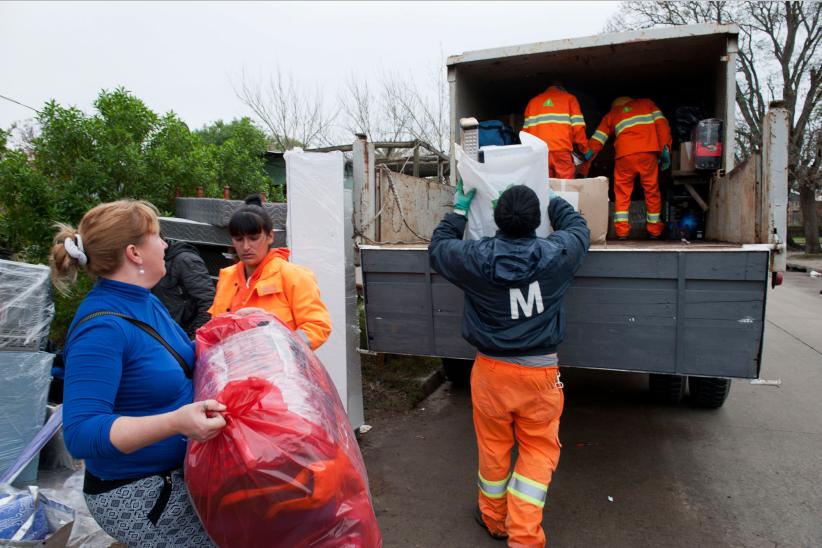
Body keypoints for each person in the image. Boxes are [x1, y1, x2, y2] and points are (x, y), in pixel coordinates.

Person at [50, 199, 226, 547]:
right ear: (134, 253)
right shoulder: (101, 329)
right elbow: (82, 433)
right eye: (158, 236)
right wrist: (176, 422)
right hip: (140, 492)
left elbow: (177, 357)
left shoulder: (142, 299)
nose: (164, 245)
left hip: (175, 475)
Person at [429, 183, 589, 547]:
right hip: (540, 376)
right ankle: (524, 535)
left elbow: (438, 248)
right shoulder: (557, 254)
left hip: (491, 374)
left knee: (493, 447)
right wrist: (554, 199)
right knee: (537, 450)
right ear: (537, 221)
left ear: (496, 220)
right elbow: (578, 228)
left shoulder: (475, 258)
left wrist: (458, 212)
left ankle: (493, 518)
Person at [209, 195, 331, 350]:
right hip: (234, 368)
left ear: (270, 236)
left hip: (281, 370)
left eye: (254, 238)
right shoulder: (227, 277)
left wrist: (282, 347)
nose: (246, 246)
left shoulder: (294, 276)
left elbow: (317, 326)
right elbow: (214, 329)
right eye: (239, 239)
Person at [583, 96, 672, 239]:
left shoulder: (613, 114)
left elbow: (598, 138)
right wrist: (665, 148)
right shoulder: (647, 104)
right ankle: (654, 231)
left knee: (622, 194)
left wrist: (587, 155)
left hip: (624, 156)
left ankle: (622, 232)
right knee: (651, 191)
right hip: (647, 153)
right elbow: (662, 125)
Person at [523, 83, 591, 179]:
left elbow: (525, 134)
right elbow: (578, 128)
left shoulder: (532, 102)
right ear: (563, 91)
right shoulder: (570, 99)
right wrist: (585, 149)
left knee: (543, 187)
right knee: (565, 188)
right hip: (561, 151)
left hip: (540, 154)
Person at [152, 238, 215, 338]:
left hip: (182, 336)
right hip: (160, 334)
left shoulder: (185, 260)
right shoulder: (145, 261)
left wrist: (194, 340)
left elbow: (208, 304)